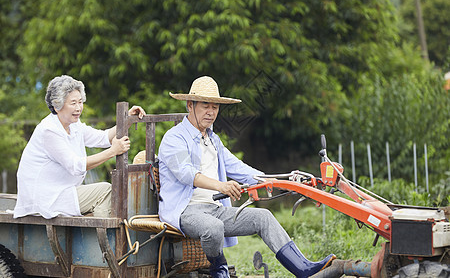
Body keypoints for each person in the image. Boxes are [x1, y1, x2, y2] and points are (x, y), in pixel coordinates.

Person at [158, 76, 335, 278]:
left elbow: (241, 169)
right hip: (186, 211)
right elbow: (186, 173)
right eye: (205, 105)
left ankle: (303, 269)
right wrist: (222, 186)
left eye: (215, 107)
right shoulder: (174, 138)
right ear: (190, 105)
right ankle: (219, 270)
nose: (211, 111)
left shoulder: (213, 140)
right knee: (213, 228)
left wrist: (282, 181)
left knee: (264, 217)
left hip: (215, 209)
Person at [13, 75, 146, 219]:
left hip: (61, 192)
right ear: (57, 106)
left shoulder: (74, 125)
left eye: (80, 102)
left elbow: (103, 137)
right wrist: (113, 151)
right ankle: (103, 236)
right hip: (44, 198)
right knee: (106, 190)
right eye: (73, 103)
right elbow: (76, 166)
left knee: (106, 191)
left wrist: (127, 119)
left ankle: (101, 234)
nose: (78, 108)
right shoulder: (49, 130)